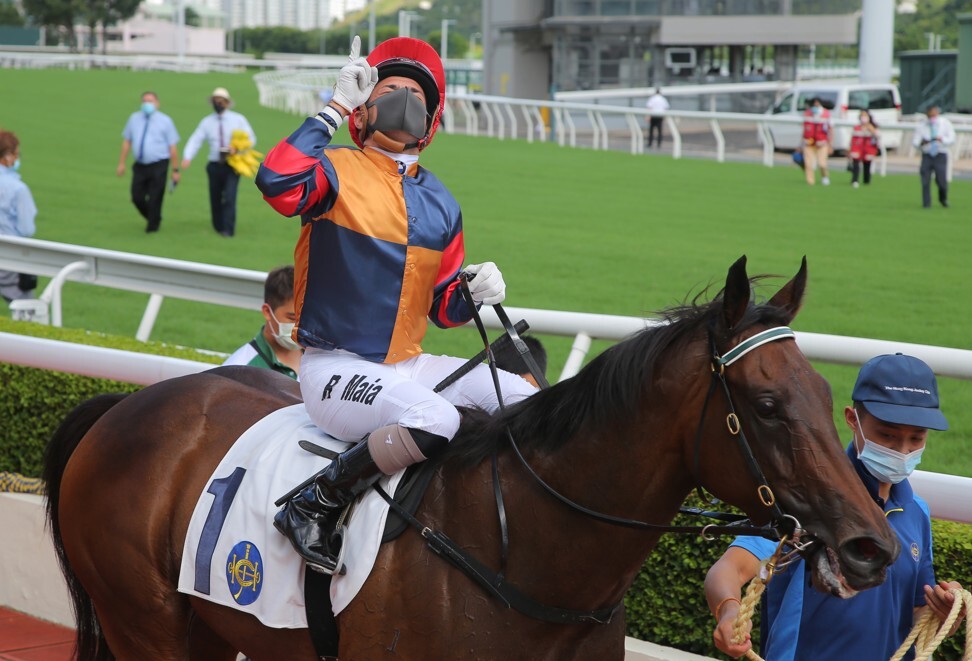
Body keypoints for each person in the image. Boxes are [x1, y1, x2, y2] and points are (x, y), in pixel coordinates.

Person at [256, 35, 538, 574]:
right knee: (435, 416)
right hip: (336, 367)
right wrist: (334, 107)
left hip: (408, 364)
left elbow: (443, 311)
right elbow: (276, 181)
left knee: (520, 396)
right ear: (366, 103)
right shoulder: (334, 169)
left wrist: (473, 293)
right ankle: (315, 501)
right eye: (390, 88)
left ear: (432, 118)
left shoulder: (442, 202)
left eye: (415, 92)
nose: (405, 97)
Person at [704, 353, 966, 660]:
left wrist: (948, 614)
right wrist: (728, 611)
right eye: (887, 435)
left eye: (916, 439)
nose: (902, 450)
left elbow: (916, 615)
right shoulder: (803, 502)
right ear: (852, 418)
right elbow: (728, 570)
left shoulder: (916, 511)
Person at [181, 87, 256, 237]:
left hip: (233, 164)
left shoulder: (238, 119)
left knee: (229, 197)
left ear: (227, 103)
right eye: (216, 101)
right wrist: (188, 156)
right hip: (214, 164)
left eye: (221, 101)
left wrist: (236, 149)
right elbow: (196, 139)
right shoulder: (207, 122)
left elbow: (251, 139)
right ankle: (218, 226)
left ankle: (228, 229)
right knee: (215, 197)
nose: (218, 104)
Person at [116, 91, 181, 233]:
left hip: (159, 163)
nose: (147, 104)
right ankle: (154, 217)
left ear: (157, 103)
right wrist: (122, 163)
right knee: (136, 197)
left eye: (150, 101)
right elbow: (127, 141)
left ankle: (152, 227)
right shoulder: (134, 119)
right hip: (140, 165)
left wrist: (175, 170)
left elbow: (172, 147)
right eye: (144, 101)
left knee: (155, 197)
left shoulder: (165, 121)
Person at [222, 265, 301, 379]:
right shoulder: (238, 372)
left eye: (306, 318)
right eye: (292, 318)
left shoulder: (321, 356)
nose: (300, 326)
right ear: (268, 312)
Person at [0, 129, 38, 304]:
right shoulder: (18, 189)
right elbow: (26, 229)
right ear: (7, 156)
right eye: (16, 154)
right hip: (8, 257)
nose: (17, 158)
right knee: (27, 309)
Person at [912, 106, 955, 209]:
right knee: (925, 180)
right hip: (927, 155)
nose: (932, 117)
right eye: (930, 115)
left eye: (933, 115)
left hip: (940, 153)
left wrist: (941, 139)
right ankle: (926, 203)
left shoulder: (945, 123)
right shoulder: (922, 125)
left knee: (941, 181)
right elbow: (915, 141)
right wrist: (922, 142)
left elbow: (952, 138)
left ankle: (943, 199)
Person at [801, 97, 832, 186]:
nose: (815, 106)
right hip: (809, 143)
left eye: (817, 104)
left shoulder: (826, 114)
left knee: (822, 163)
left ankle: (825, 177)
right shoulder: (807, 114)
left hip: (821, 143)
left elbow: (830, 129)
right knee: (808, 164)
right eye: (814, 104)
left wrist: (830, 143)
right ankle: (810, 182)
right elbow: (804, 129)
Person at [848, 110, 879, 189]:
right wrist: (850, 150)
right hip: (857, 148)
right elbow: (853, 139)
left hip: (868, 149)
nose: (863, 118)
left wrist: (871, 130)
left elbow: (877, 138)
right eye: (862, 116)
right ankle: (855, 180)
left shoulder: (872, 127)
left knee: (867, 165)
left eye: (865, 116)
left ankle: (866, 180)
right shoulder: (857, 128)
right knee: (856, 164)